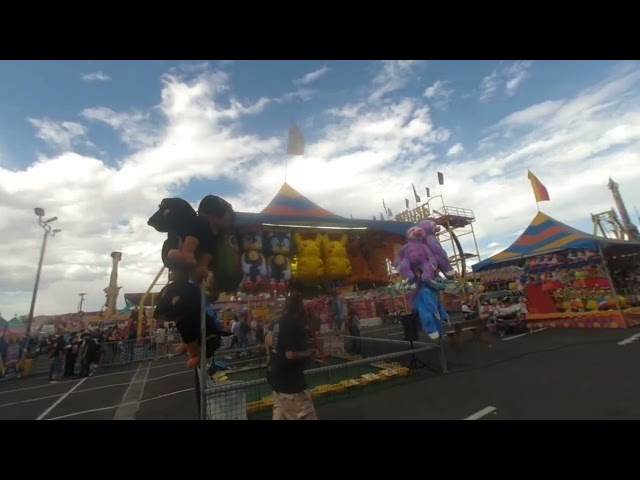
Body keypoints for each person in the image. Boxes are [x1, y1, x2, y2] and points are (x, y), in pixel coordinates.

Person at [266, 291, 318, 421]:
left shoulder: (278, 323)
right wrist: (309, 352)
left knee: (279, 414)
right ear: (299, 306)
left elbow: (268, 341)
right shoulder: (293, 324)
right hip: (292, 387)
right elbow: (290, 355)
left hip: (277, 383)